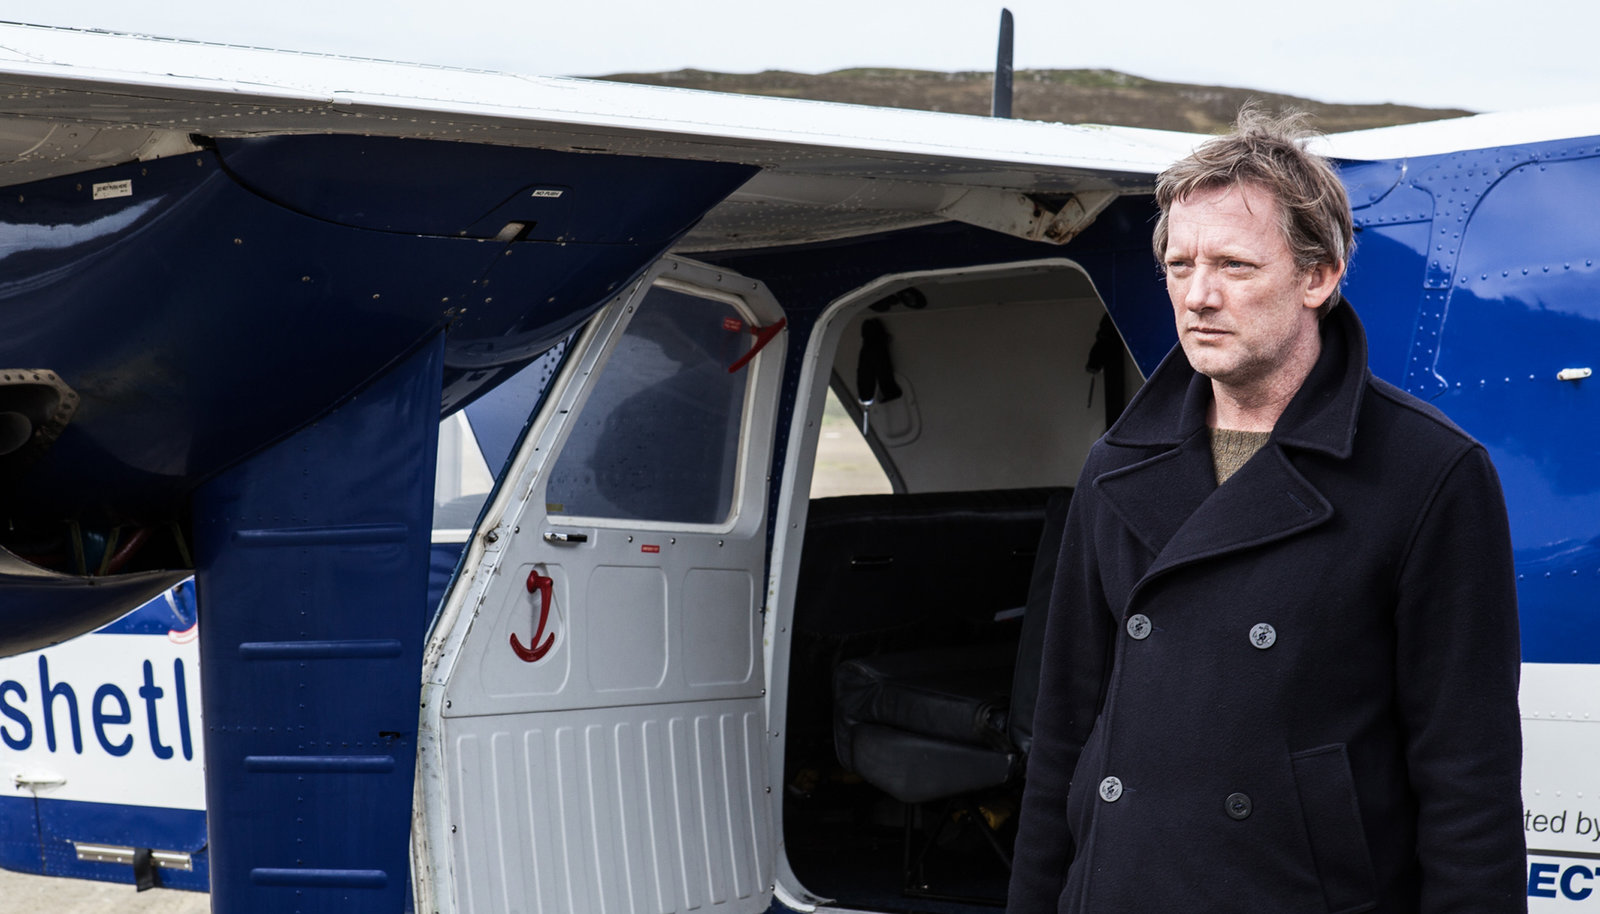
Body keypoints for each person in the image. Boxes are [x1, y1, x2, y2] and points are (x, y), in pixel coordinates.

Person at [1007, 108, 1525, 913]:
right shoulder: (1116, 466)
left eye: (1235, 266)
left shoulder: (1428, 473)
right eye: (1180, 265)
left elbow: (1468, 779)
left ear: (1319, 277)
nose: (1199, 296)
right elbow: (1063, 734)